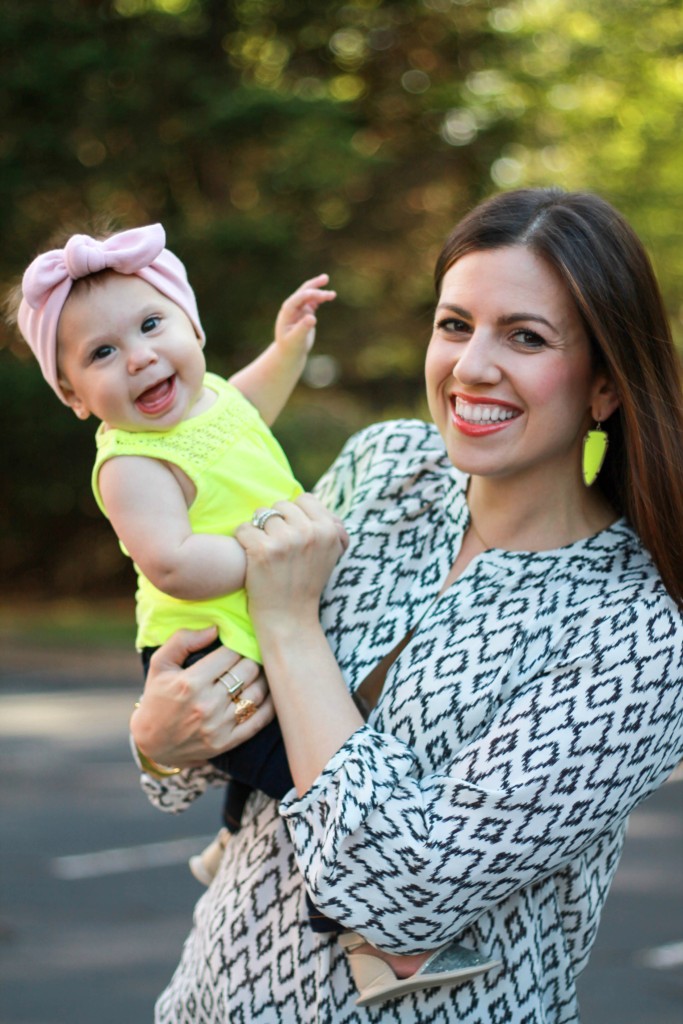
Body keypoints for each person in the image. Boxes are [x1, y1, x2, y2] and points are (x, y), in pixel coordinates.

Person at [122, 189, 683, 1020]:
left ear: (604, 386)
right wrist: (159, 744)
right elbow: (218, 721)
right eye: (454, 325)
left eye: (524, 337)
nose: (471, 366)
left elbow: (401, 897)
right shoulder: (383, 468)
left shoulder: (635, 637)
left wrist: (287, 621)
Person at [11, 223, 480, 997]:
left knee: (288, 750)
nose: (137, 356)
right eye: (100, 355)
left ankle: (232, 838)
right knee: (308, 776)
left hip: (258, 630)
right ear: (74, 398)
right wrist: (276, 555)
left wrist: (288, 346)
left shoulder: (212, 400)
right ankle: (371, 937)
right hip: (206, 647)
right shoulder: (134, 460)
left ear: (191, 327)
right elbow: (171, 561)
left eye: (151, 325)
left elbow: (250, 400)